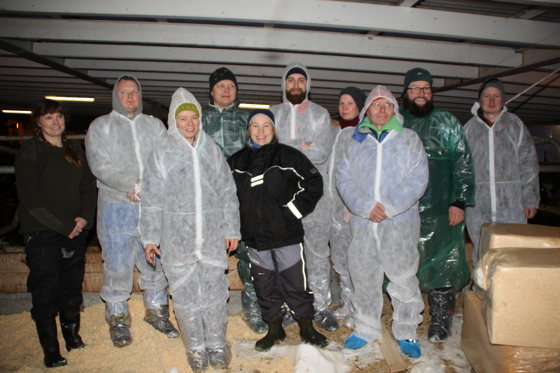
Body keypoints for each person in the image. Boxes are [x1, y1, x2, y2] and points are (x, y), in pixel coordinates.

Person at [141, 88, 240, 371]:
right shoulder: (162, 152)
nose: (189, 124)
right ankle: (195, 348)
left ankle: (217, 345)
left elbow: (227, 192)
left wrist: (231, 229)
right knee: (184, 298)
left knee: (215, 296)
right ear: (174, 120)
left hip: (210, 239)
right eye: (183, 118)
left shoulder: (211, 149)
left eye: (193, 118)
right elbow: (151, 198)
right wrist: (149, 237)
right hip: (177, 242)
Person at [85, 75, 179, 348]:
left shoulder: (153, 126)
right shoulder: (101, 126)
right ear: (116, 95)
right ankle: (118, 319)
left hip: (151, 206)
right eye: (124, 92)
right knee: (117, 262)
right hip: (117, 206)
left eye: (134, 92)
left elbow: (167, 158)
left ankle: (157, 312)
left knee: (155, 260)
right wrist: (132, 184)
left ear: (140, 95)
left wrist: (148, 186)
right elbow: (99, 164)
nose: (130, 97)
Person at [336, 85, 429, 358]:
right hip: (364, 224)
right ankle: (366, 326)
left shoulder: (409, 139)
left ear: (395, 110)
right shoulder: (355, 141)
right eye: (377, 105)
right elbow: (343, 179)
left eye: (387, 105)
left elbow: (418, 178)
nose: (382, 109)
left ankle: (407, 329)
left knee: (403, 276)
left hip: (399, 222)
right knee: (363, 275)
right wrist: (365, 207)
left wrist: (388, 207)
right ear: (367, 110)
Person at [227, 109, 328, 352]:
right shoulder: (235, 162)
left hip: (286, 235)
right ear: (248, 130)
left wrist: (292, 212)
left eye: (266, 126)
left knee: (294, 281)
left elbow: (313, 183)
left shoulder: (289, 156)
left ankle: (306, 325)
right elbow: (224, 196)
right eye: (255, 126)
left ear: (273, 129)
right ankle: (274, 327)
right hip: (255, 238)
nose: (261, 131)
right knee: (264, 284)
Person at [15, 99, 97, 367]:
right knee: (45, 288)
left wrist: (84, 218)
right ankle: (51, 349)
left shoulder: (74, 149)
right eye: (48, 117)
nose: (55, 122)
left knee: (71, 285)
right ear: (38, 123)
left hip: (75, 231)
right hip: (43, 232)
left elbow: (88, 186)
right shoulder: (31, 150)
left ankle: (72, 337)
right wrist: (63, 225)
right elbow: (30, 196)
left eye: (58, 116)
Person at [400, 68, 475, 343]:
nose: (420, 94)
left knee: (444, 261)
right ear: (406, 92)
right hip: (403, 207)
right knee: (404, 261)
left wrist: (459, 200)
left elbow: (463, 162)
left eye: (426, 88)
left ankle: (441, 317)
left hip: (442, 207)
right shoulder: (394, 120)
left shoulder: (447, 121)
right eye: (415, 88)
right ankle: (404, 317)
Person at [269, 62, 338, 332]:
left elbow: (321, 152)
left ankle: (321, 307)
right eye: (291, 80)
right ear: (283, 84)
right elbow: (267, 152)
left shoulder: (321, 115)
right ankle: (289, 305)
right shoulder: (272, 114)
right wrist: (302, 145)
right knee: (285, 254)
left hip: (314, 199)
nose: (296, 85)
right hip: (281, 199)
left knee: (317, 253)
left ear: (307, 84)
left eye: (301, 80)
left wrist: (285, 147)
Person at [201, 67, 266, 334]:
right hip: (208, 201)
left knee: (250, 257)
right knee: (209, 259)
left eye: (231, 86)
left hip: (243, 201)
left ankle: (252, 310)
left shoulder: (247, 119)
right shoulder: (199, 120)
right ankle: (210, 314)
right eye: (221, 86)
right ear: (212, 91)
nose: (227, 90)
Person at [464, 78, 539, 264]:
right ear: (479, 101)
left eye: (496, 96)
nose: (491, 100)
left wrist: (530, 199)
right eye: (487, 96)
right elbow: (462, 167)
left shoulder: (515, 125)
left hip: (512, 204)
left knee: (512, 247)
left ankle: (509, 288)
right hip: (478, 204)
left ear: (503, 99)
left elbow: (528, 163)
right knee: (481, 246)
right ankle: (482, 288)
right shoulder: (469, 129)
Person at [328, 86, 366, 327]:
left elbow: (364, 173)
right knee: (340, 259)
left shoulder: (363, 133)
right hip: (332, 206)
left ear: (360, 107)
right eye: (342, 102)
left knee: (356, 260)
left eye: (350, 103)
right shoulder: (335, 132)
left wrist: (353, 204)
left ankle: (359, 309)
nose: (344, 107)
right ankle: (346, 302)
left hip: (351, 209)